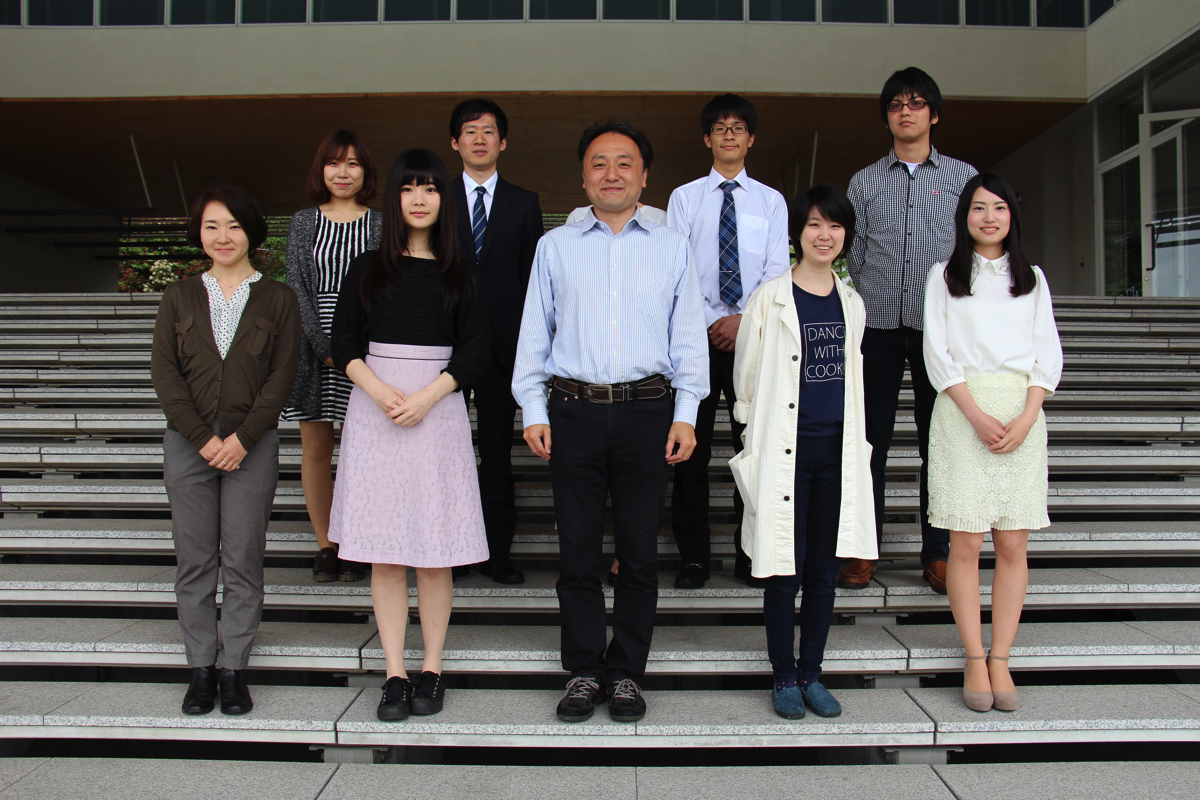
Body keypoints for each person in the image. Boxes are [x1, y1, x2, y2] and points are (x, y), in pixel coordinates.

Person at [512, 121, 708, 724]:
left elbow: (689, 338)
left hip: (648, 412)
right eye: (599, 163)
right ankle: (582, 670)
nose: (612, 174)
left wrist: (686, 414)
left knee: (639, 553)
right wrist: (534, 408)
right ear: (583, 176)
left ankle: (625, 673)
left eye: (625, 163)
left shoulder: (672, 246)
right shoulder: (556, 246)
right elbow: (534, 332)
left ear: (644, 176)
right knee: (576, 552)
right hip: (572, 411)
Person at [328, 148, 490, 722]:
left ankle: (432, 667)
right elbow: (343, 341)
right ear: (393, 198)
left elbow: (476, 350)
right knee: (385, 552)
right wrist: (378, 391)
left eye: (430, 188)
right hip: (375, 413)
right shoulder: (366, 268)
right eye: (408, 188)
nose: (419, 198)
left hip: (437, 414)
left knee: (434, 554)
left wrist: (426, 396)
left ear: (444, 199)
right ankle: (395, 672)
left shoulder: (462, 272)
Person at [151, 185, 301, 717]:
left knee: (242, 558)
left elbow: (282, 375)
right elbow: (165, 373)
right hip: (188, 443)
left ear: (251, 233)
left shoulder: (279, 298)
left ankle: (234, 669)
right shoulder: (178, 296)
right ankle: (201, 669)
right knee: (195, 560)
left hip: (250, 445)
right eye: (212, 226)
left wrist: (242, 438)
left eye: (234, 226)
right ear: (200, 234)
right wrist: (202, 437)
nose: (223, 236)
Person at [729, 185, 876, 721]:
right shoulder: (769, 297)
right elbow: (746, 376)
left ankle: (812, 672)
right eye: (814, 224)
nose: (824, 234)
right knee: (781, 567)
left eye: (834, 225)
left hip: (836, 452)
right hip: (785, 450)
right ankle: (783, 675)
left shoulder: (851, 302)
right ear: (797, 233)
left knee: (823, 569)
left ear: (846, 235)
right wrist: (752, 434)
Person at [922, 172, 1062, 713]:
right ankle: (974, 655)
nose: (989, 217)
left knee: (1012, 544)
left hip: (1022, 413)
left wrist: (1028, 415)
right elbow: (937, 353)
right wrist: (976, 415)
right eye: (979, 207)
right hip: (963, 412)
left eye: (999, 207)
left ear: (1012, 216)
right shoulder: (944, 277)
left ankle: (1001, 656)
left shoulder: (1033, 279)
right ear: (965, 216)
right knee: (965, 543)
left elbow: (1047, 353)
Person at [842, 67, 978, 595]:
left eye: (916, 103)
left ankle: (938, 551)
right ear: (886, 117)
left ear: (933, 114)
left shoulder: (963, 178)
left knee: (937, 442)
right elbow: (853, 251)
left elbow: (973, 247)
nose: (906, 111)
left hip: (938, 330)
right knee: (868, 443)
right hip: (875, 328)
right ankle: (863, 548)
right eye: (896, 104)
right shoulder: (864, 181)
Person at [666, 93, 790, 589]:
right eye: (720, 128)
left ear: (751, 138)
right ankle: (693, 558)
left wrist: (743, 321)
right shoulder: (684, 198)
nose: (729, 135)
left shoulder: (771, 201)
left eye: (738, 127)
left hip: (754, 343)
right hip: (695, 342)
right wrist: (710, 322)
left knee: (753, 453)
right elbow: (675, 267)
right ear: (707, 138)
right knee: (690, 456)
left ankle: (750, 553)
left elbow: (777, 272)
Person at [449, 99, 545, 586]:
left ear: (503, 142)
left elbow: (535, 282)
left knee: (496, 455)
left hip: (504, 349)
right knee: (445, 454)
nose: (479, 139)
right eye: (470, 131)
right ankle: (450, 550)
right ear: (455, 142)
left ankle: (495, 553)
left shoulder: (524, 202)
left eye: (488, 131)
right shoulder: (436, 197)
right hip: (445, 347)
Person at [282, 129, 382, 584]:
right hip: (313, 344)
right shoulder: (304, 221)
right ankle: (327, 545)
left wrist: (352, 351)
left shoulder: (380, 223)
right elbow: (296, 286)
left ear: (366, 171)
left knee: (362, 450)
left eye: (353, 163)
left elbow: (387, 286)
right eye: (334, 162)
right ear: (321, 170)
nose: (343, 172)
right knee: (317, 450)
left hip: (366, 347)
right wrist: (324, 347)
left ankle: (357, 540)